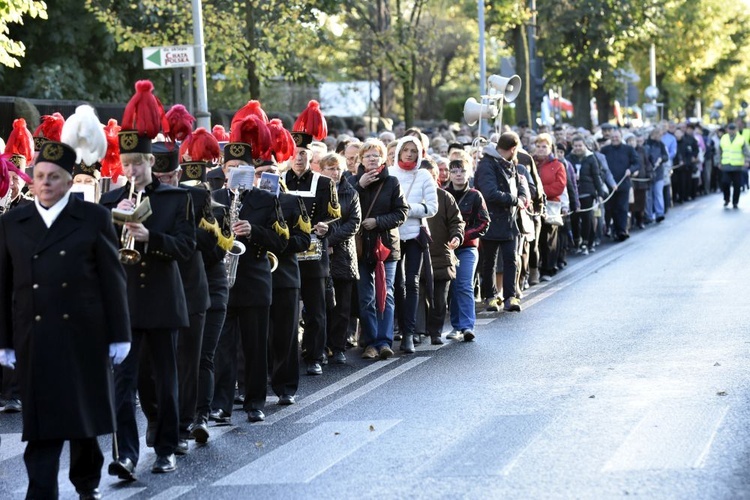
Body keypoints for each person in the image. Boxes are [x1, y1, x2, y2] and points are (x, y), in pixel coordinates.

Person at [0, 140, 131, 499]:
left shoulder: (93, 218)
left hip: (83, 335)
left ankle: (86, 483)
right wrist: (5, 339)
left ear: (69, 181)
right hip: (34, 336)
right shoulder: (13, 222)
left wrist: (120, 335)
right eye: (39, 176)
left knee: (82, 421)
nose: (44, 183)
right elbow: (4, 286)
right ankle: (40, 491)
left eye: (53, 177)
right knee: (40, 426)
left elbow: (112, 279)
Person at [101, 80, 196, 479]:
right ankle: (125, 454)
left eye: (139, 164)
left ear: (151, 164)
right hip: (125, 305)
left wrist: (150, 237)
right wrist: (112, 222)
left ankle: (166, 447)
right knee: (123, 386)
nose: (133, 171)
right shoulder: (108, 202)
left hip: (161, 300)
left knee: (164, 381)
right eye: (127, 165)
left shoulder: (175, 200)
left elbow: (186, 248)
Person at [211, 117, 289, 424]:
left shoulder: (266, 200)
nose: (235, 174)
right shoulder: (214, 199)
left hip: (255, 278)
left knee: (256, 346)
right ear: (224, 171)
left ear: (250, 172)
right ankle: (221, 405)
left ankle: (255, 401)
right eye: (230, 169)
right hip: (223, 280)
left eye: (241, 169)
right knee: (222, 348)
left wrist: (253, 230)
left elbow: (281, 242)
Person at [285, 101, 341, 376]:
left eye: (304, 153)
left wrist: (324, 227)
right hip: (284, 254)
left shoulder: (324, 182)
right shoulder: (278, 180)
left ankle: (315, 355)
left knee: (316, 311)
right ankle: (286, 358)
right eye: (295, 153)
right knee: (285, 312)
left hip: (314, 254)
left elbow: (335, 215)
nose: (299, 158)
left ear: (311, 156)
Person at [353, 139, 408, 360]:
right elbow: (342, 209)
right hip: (361, 248)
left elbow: (402, 212)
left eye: (376, 155)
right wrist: (359, 186)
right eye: (368, 156)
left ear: (383, 158)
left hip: (385, 246)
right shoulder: (352, 182)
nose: (372, 159)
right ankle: (371, 342)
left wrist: (378, 221)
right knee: (366, 297)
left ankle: (385, 342)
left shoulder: (392, 182)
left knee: (386, 294)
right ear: (361, 160)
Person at [389, 136, 438, 353]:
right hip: (393, 234)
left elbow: (432, 207)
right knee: (396, 284)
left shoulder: (424, 174)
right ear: (399, 151)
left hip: (416, 235)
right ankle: (399, 327)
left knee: (413, 282)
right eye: (405, 150)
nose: (409, 154)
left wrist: (407, 208)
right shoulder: (390, 173)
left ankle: (409, 333)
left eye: (413, 151)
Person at [475, 132, 528, 312]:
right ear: (513, 149)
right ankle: (490, 296)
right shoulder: (487, 164)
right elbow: (490, 193)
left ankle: (510, 296)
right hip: (491, 219)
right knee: (489, 261)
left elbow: (519, 183)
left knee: (511, 259)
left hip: (509, 220)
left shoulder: (508, 163)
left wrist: (522, 195)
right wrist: (514, 200)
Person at [320, 153, 361, 363]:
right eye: (330, 168)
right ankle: (322, 346)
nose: (335, 173)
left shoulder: (350, 192)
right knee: (322, 304)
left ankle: (338, 346)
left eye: (338, 168)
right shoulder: (317, 190)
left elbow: (354, 222)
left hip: (343, 255)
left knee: (343, 306)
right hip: (320, 255)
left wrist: (330, 241)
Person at [445, 157, 489, 341]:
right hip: (447, 248)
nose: (458, 175)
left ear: (468, 172)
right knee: (452, 286)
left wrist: (463, 236)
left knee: (464, 284)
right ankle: (456, 326)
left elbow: (484, 223)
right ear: (449, 173)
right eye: (454, 171)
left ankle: (467, 326)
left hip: (467, 248)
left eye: (462, 171)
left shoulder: (475, 195)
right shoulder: (443, 194)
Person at [421, 160, 465, 342]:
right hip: (419, 255)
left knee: (440, 299)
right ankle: (418, 331)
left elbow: (457, 221)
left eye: (432, 176)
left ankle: (435, 332)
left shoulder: (445, 197)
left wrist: (457, 236)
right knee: (419, 298)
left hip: (442, 255)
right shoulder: (408, 196)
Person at [601, 129, 639, 242]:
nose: (614, 139)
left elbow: (636, 163)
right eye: (612, 137)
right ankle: (614, 229)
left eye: (617, 137)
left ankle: (622, 230)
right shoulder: (605, 150)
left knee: (622, 208)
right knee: (611, 208)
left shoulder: (628, 149)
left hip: (623, 183)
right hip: (609, 185)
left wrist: (630, 170)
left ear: (621, 137)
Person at [719, 123, 750, 208]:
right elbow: (719, 151)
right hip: (726, 165)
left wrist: (747, 161)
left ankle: (735, 202)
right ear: (727, 129)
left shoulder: (741, 139)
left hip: (737, 166)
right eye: (730, 129)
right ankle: (726, 199)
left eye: (733, 129)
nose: (731, 131)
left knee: (737, 185)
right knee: (725, 183)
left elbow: (746, 151)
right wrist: (718, 162)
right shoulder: (724, 138)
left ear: (736, 129)